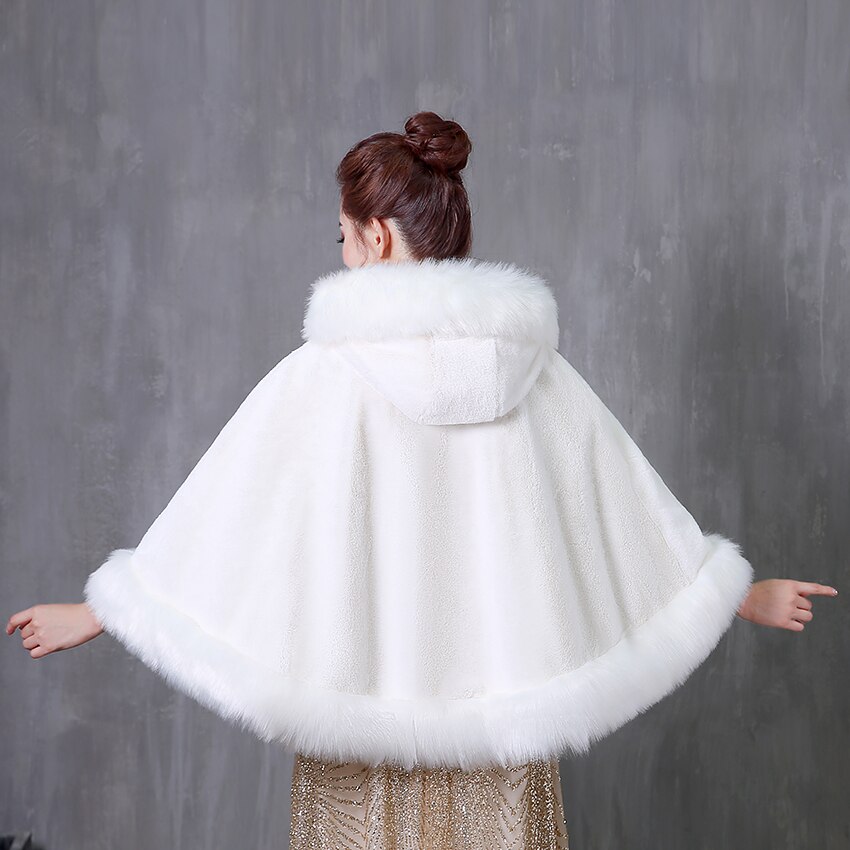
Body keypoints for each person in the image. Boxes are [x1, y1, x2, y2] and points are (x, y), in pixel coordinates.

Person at [6, 111, 839, 850]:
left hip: (354, 737)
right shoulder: (536, 376)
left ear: (375, 236)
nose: (342, 255)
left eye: (341, 236)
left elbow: (229, 513)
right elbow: (620, 506)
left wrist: (103, 609)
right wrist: (737, 591)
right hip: (499, 746)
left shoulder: (323, 374)